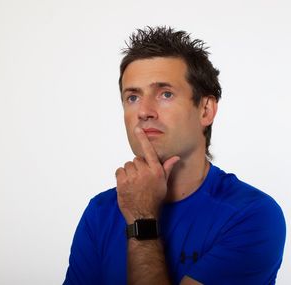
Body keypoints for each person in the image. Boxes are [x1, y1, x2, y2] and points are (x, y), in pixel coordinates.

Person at [63, 26, 286, 285]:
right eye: (133, 97)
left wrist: (141, 220)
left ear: (205, 110)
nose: (144, 111)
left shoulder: (252, 215)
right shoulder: (100, 212)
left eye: (165, 94)